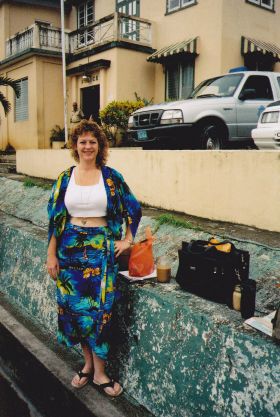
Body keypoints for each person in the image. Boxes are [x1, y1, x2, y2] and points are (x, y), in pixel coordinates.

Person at [46, 119, 141, 396]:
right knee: (76, 312)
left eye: (92, 141)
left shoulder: (111, 177)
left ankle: (100, 373)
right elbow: (55, 221)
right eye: (82, 141)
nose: (87, 146)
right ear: (76, 146)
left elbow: (134, 210)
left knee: (101, 312)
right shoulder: (65, 178)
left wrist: (127, 239)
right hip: (69, 253)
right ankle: (87, 365)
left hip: (101, 253)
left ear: (100, 146)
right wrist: (51, 254)